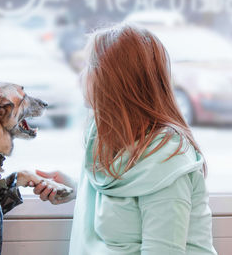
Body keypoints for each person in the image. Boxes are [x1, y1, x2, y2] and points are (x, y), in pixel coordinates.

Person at [31, 23, 218, 255]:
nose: (81, 76)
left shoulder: (167, 158)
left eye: (88, 65)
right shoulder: (102, 134)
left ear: (112, 80)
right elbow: (127, 197)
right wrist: (75, 187)